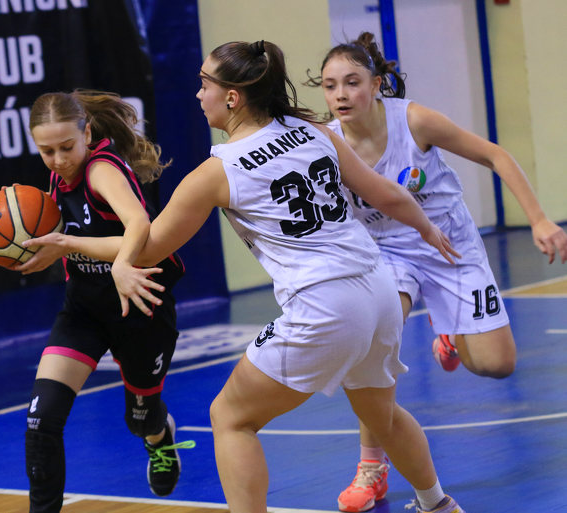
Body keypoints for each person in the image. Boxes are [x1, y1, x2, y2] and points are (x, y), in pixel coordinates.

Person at [24, 40, 467, 513]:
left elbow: (148, 247)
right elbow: (386, 193)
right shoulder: (313, 130)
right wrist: (429, 231)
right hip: (378, 289)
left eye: (204, 84)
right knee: (382, 416)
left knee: (229, 417)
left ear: (232, 97)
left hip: (325, 303)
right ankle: (437, 504)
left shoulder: (218, 171)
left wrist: (75, 246)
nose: (199, 94)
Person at [306, 31, 567, 512]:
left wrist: (539, 219)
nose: (341, 94)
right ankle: (371, 467)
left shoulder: (414, 120)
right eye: (330, 85)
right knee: (372, 349)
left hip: (449, 244)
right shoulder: (325, 142)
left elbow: (495, 155)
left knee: (496, 365)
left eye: (352, 82)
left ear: (377, 85)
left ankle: (450, 334)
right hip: (385, 252)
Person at [16, 90, 194, 512]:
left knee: (141, 420)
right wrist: (48, 249)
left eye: (66, 147)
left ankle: (159, 437)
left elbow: (139, 224)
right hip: (84, 310)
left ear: (87, 133)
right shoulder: (58, 178)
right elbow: (71, 239)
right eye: (46, 151)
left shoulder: (100, 170)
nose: (58, 160)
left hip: (140, 308)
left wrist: (116, 262)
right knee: (41, 421)